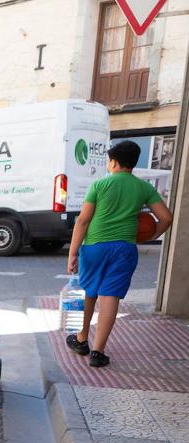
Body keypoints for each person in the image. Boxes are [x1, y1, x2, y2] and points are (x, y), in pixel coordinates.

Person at [66, 140, 173, 367]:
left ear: (113, 162)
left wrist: (73, 252)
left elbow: (83, 220)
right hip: (125, 247)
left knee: (91, 291)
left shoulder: (99, 185)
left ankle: (82, 338)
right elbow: (166, 218)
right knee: (110, 295)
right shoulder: (143, 187)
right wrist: (153, 235)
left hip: (95, 246)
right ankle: (98, 351)